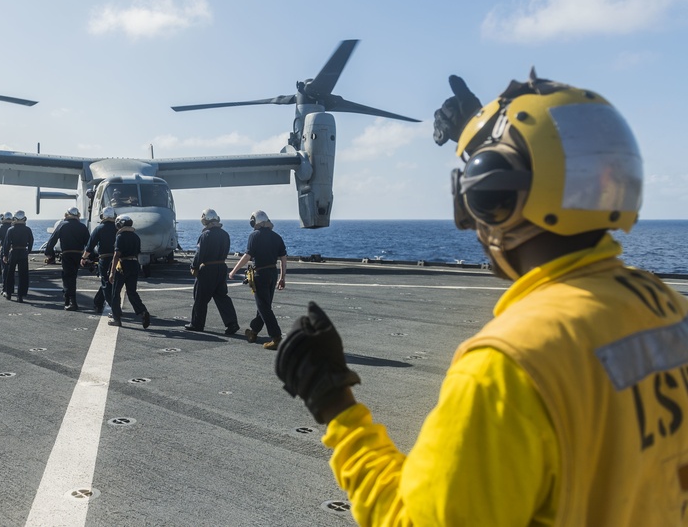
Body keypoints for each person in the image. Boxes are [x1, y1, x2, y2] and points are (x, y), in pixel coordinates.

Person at [274, 71, 688, 526]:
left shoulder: (507, 366)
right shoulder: (667, 309)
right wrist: (485, 140)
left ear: (491, 199)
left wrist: (336, 406)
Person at [229, 210, 286, 349]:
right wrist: (282, 278)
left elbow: (247, 256)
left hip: (260, 274)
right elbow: (283, 259)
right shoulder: (277, 237)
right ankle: (253, 332)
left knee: (264, 307)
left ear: (256, 222)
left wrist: (233, 270)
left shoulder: (254, 236)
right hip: (273, 273)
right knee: (264, 305)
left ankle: (276, 337)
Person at [184, 208, 239, 336]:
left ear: (205, 220)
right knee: (222, 296)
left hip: (208, 269)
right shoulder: (225, 234)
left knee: (200, 297)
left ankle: (197, 324)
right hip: (221, 267)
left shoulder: (205, 235)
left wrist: (194, 266)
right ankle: (232, 323)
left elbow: (200, 254)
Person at [107, 215, 150, 328]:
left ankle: (117, 319)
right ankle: (142, 311)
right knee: (132, 292)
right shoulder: (136, 237)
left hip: (122, 265)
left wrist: (112, 272)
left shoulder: (120, 236)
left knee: (115, 293)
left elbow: (117, 255)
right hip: (134, 264)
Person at [45, 207, 91, 310]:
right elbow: (89, 243)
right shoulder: (82, 226)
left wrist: (50, 254)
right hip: (79, 255)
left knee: (68, 278)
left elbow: (52, 240)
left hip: (66, 254)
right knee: (72, 277)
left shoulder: (62, 225)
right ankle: (67, 298)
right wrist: (88, 257)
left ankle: (72, 302)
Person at [82, 206, 118, 315]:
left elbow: (90, 245)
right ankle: (98, 302)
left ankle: (114, 308)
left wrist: (84, 258)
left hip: (104, 259)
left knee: (106, 283)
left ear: (102, 216)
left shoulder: (99, 228)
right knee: (111, 283)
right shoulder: (118, 228)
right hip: (118, 260)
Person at [2, 210, 34, 302]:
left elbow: (6, 243)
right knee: (23, 275)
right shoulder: (27, 229)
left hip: (13, 251)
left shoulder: (10, 229)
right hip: (23, 251)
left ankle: (8, 293)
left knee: (10, 273)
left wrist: (5, 254)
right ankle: (21, 295)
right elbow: (31, 241)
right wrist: (28, 251)